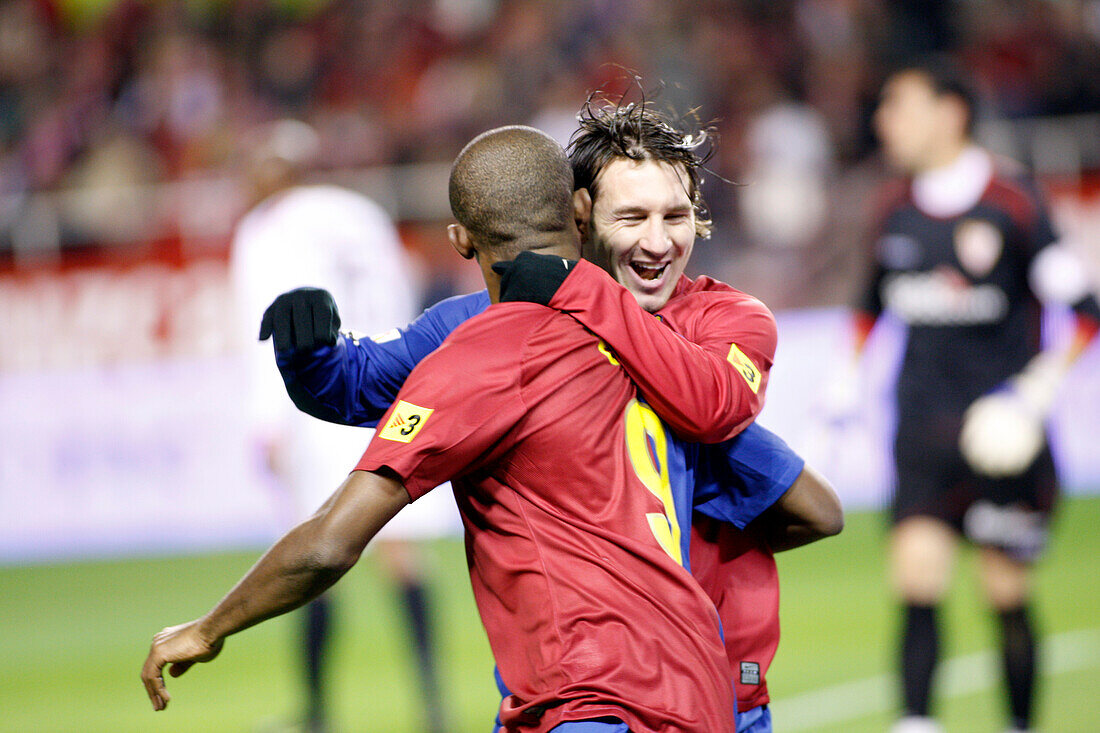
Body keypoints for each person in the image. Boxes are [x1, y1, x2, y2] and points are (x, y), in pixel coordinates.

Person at [144, 125, 779, 732]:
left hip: (596, 698)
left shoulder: (704, 323)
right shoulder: (468, 328)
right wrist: (307, 354)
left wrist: (208, 626)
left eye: (674, 217)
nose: (656, 241)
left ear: (461, 239)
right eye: (634, 217)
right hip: (668, 686)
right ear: (584, 213)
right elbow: (358, 380)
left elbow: (329, 542)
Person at [855, 59, 1100, 733]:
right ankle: (916, 722)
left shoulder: (1015, 201)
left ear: (950, 112)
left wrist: (1037, 390)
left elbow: (1085, 310)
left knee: (1006, 593)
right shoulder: (892, 207)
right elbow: (869, 307)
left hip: (1003, 437)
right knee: (916, 584)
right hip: (922, 429)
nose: (884, 121)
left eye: (898, 105)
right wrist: (846, 377)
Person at [229, 119, 455, 733]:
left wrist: (267, 422)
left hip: (317, 403)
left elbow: (269, 330)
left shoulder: (264, 230)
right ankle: (434, 705)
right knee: (400, 551)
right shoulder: (356, 212)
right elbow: (398, 299)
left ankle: (316, 712)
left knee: (314, 553)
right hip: (383, 387)